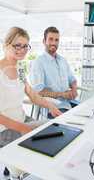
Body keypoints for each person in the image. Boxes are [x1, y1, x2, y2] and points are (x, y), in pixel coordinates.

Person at [0, 27, 62, 179]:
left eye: (25, 46)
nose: (22, 50)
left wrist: (51, 106)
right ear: (6, 44)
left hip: (22, 120)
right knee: (39, 151)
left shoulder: (20, 69)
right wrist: (23, 128)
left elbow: (33, 95)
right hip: (3, 129)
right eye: (17, 45)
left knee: (52, 130)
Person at [29, 26, 79, 119]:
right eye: (51, 39)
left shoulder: (62, 60)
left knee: (90, 113)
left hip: (69, 103)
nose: (54, 43)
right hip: (54, 108)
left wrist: (74, 90)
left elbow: (72, 80)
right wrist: (62, 94)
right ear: (44, 41)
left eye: (56, 40)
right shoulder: (38, 63)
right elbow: (39, 92)